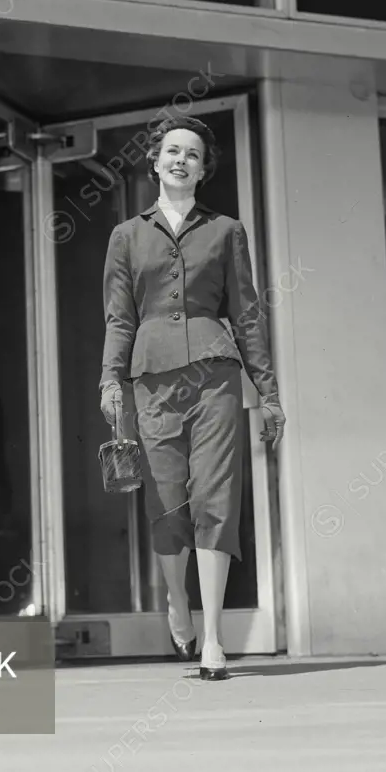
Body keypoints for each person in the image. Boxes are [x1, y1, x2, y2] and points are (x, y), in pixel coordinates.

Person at [99, 115, 286, 681]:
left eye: (194, 155)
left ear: (204, 171)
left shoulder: (227, 231)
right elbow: (119, 315)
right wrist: (110, 378)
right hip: (151, 378)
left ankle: (213, 638)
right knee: (168, 504)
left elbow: (248, 315)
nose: (181, 160)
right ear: (155, 162)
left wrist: (268, 392)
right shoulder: (127, 236)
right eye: (172, 151)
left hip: (215, 376)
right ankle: (177, 604)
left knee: (216, 498)